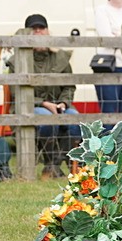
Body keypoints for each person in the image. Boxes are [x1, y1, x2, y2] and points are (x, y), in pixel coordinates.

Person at [9, 14, 78, 178]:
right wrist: (44, 103)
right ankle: (51, 165)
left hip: (59, 106)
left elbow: (69, 85)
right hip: (31, 107)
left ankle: (56, 165)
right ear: (27, 34)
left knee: (75, 120)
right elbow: (15, 92)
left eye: (42, 28)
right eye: (34, 29)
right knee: (47, 120)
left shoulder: (61, 57)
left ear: (48, 32)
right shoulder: (16, 60)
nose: (38, 32)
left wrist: (63, 103)